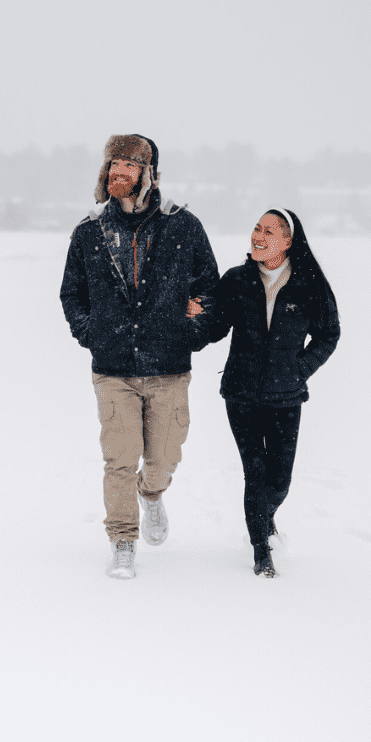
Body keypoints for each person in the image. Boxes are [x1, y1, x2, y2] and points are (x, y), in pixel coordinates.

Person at [60, 134, 219, 579]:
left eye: (128, 167)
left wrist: (193, 331)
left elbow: (210, 288)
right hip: (113, 368)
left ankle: (151, 495)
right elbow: (72, 293)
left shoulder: (183, 226)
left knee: (163, 458)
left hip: (169, 366)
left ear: (149, 175)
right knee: (120, 458)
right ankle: (123, 540)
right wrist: (91, 334)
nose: (118, 174)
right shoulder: (89, 231)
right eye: (113, 166)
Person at [186, 208, 340, 578]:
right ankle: (261, 550)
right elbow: (216, 326)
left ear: (288, 241)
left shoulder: (308, 284)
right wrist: (194, 316)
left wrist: (298, 369)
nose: (258, 235)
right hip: (240, 393)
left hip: (286, 397)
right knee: (254, 471)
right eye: (256, 228)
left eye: (269, 231)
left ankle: (264, 515)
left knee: (279, 479)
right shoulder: (237, 280)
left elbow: (328, 334)